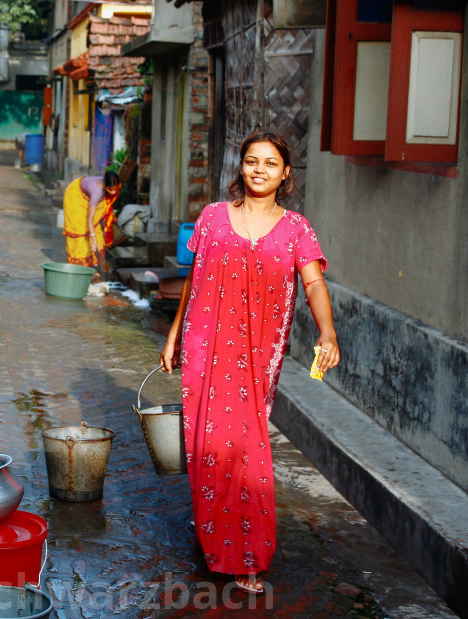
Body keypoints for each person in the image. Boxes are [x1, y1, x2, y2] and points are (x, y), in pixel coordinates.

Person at [158, 129, 340, 596]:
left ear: (285, 174)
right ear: (241, 167)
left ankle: (249, 554)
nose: (260, 169)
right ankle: (217, 542)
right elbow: (193, 280)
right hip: (204, 347)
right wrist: (175, 335)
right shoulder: (213, 217)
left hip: (258, 356)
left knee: (247, 450)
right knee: (207, 447)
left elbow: (314, 283)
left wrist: (327, 330)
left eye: (270, 163)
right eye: (252, 161)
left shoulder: (297, 228)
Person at [62, 170, 122, 269]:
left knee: (96, 230)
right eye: (111, 189)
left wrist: (111, 215)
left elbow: (107, 204)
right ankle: (80, 267)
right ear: (105, 185)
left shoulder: (112, 186)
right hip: (75, 196)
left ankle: (93, 265)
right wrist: (93, 239)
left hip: (88, 196)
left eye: (115, 189)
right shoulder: (97, 192)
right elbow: (90, 219)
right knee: (80, 230)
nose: (114, 192)